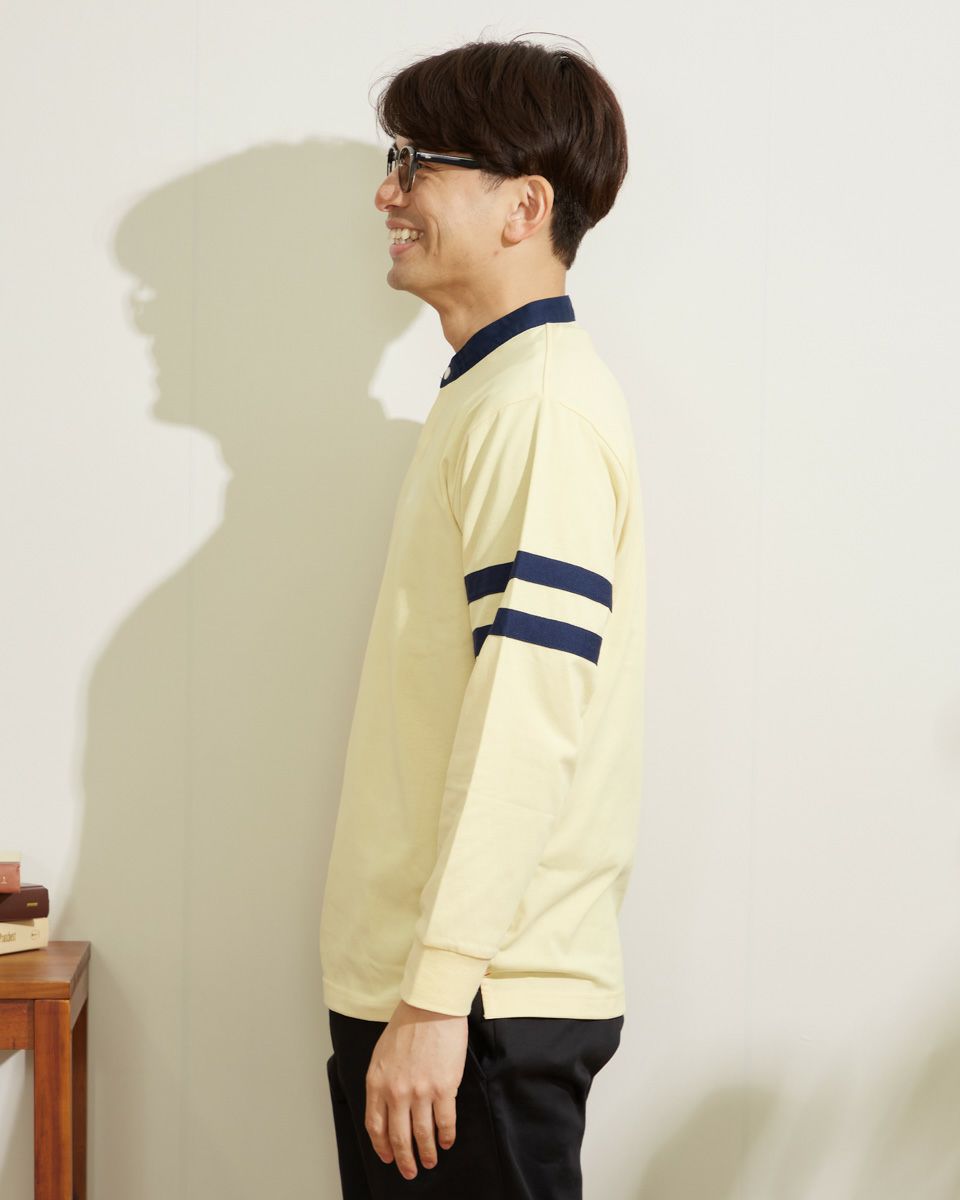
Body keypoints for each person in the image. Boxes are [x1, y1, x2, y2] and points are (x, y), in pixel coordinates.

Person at [320, 33, 645, 1199]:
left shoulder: (540, 408)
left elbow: (526, 716)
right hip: (449, 998)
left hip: (476, 1008)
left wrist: (434, 996)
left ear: (524, 206)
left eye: (416, 164)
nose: (387, 193)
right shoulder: (493, 395)